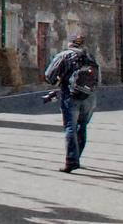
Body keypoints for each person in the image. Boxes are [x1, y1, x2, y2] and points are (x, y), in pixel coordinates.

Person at [44, 34, 98, 173]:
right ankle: (77, 157)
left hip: (71, 95)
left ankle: (72, 161)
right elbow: (98, 78)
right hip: (89, 96)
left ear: (70, 43)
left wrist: (59, 79)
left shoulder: (64, 55)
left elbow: (49, 76)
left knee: (70, 127)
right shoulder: (90, 57)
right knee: (82, 126)